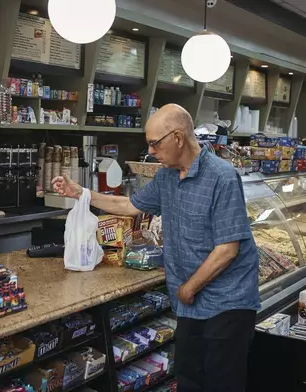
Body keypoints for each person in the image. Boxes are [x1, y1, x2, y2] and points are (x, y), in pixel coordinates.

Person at [53, 104, 260, 392]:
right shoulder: (165, 177)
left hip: (227, 301)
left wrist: (189, 288)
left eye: (154, 143)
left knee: (222, 382)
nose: (151, 151)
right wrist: (82, 194)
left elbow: (228, 249)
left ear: (177, 137)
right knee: (189, 378)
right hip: (190, 302)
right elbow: (129, 205)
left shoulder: (222, 177)